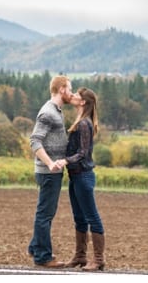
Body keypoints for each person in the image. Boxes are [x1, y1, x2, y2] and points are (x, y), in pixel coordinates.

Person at [27, 75, 77, 268]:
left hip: (52, 172)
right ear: (62, 89)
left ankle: (35, 247)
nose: (71, 93)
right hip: (48, 172)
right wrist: (49, 163)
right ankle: (43, 256)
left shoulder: (56, 110)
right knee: (45, 214)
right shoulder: (48, 113)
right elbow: (34, 141)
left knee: (46, 212)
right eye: (70, 89)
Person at [55, 87, 106, 271]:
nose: (73, 96)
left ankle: (99, 259)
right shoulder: (81, 120)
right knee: (79, 218)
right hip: (75, 177)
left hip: (83, 177)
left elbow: (83, 154)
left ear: (83, 102)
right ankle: (80, 256)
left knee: (92, 217)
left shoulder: (84, 124)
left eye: (76, 95)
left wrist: (64, 161)